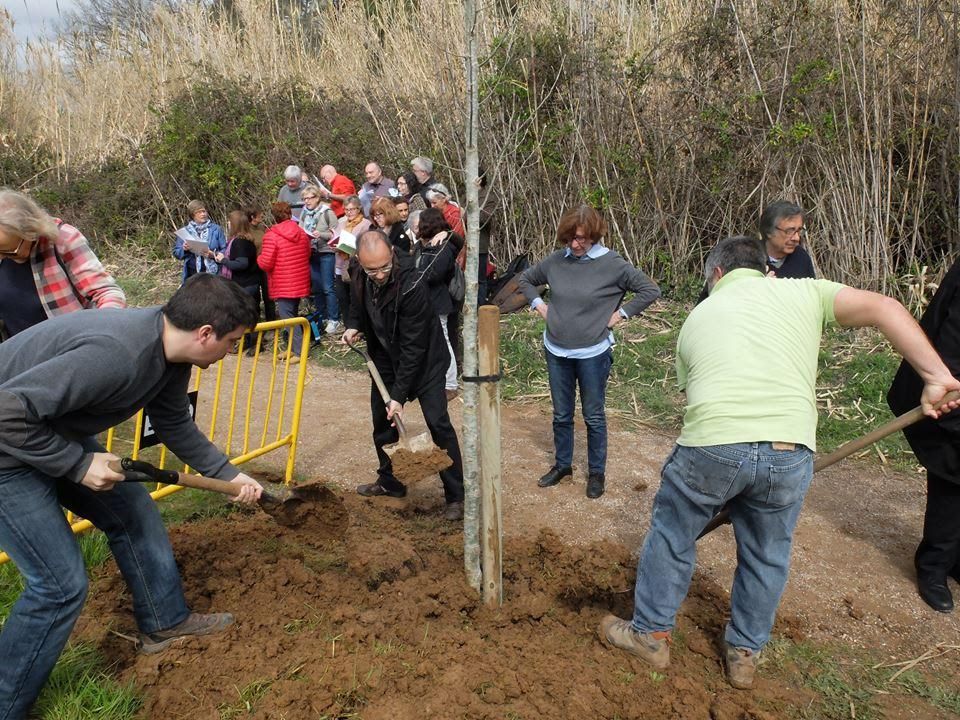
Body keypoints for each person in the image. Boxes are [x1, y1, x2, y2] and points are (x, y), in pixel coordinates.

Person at [598, 236, 960, 690]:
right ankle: (744, 652)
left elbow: (697, 401)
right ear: (768, 270)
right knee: (767, 554)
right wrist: (936, 376)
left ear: (716, 275)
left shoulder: (698, 317)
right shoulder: (803, 290)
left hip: (714, 446)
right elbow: (886, 307)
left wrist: (727, 481)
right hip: (790, 450)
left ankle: (649, 635)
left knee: (672, 534)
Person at [0, 273, 264, 718]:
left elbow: (174, 423)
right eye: (232, 341)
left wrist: (230, 475)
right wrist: (77, 464)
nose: (230, 352)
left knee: (134, 511)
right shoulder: (117, 354)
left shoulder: (172, 354)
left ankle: (164, 623)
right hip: (7, 448)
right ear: (205, 334)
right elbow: (6, 412)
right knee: (60, 585)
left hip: (47, 429)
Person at [517, 205, 660, 499]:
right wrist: (539, 306)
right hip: (556, 349)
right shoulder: (557, 261)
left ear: (595, 235)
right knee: (561, 414)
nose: (575, 244)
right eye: (570, 238)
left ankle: (596, 473)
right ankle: (562, 465)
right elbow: (526, 280)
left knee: (593, 416)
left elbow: (649, 290)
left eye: (581, 238)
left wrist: (621, 315)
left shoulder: (613, 265)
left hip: (593, 353)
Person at [343, 230, 465, 520]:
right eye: (373, 269)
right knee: (382, 425)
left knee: (438, 424)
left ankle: (456, 497)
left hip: (425, 362)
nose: (380, 274)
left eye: (385, 267)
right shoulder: (359, 272)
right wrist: (353, 325)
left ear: (392, 256)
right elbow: (358, 304)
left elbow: (414, 347)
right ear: (360, 261)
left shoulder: (412, 283)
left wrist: (398, 396)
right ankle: (391, 482)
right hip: (384, 358)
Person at [888, 257, 960, 613]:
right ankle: (933, 566)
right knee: (953, 475)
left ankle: (955, 558)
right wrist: (947, 388)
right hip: (947, 389)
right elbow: (953, 340)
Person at [0, 189, 126, 339]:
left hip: (68, 349)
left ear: (31, 232)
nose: (2, 257)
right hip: (20, 356)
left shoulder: (63, 240)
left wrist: (99, 335)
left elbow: (107, 293)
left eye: (10, 251)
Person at [414, 208, 461, 398]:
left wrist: (416, 275)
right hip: (424, 301)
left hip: (437, 301)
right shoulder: (423, 245)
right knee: (426, 343)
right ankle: (431, 381)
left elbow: (434, 274)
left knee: (443, 342)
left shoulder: (444, 245)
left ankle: (450, 384)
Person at [257, 202, 311, 364]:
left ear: (274, 216)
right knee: (292, 315)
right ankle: (293, 348)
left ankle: (300, 352)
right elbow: (308, 253)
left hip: (283, 282)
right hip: (299, 279)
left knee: (288, 318)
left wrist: (258, 258)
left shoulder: (271, 235)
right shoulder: (301, 232)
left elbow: (265, 263)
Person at [215, 210, 262, 353]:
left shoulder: (240, 242)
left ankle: (254, 344)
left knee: (247, 315)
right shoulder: (244, 239)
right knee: (248, 314)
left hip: (246, 284)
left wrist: (223, 260)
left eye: (230, 221)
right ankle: (248, 342)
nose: (228, 224)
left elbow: (242, 264)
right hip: (248, 282)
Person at [299, 185, 341, 335]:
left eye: (310, 198)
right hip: (311, 253)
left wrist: (321, 234)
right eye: (305, 199)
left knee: (328, 287)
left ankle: (333, 318)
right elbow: (301, 228)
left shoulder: (327, 212)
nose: (307, 201)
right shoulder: (304, 213)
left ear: (317, 198)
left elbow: (336, 233)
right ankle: (321, 316)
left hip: (326, 252)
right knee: (316, 287)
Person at [172, 200, 227, 285]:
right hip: (193, 274)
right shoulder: (186, 231)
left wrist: (213, 255)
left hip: (214, 274)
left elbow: (225, 249)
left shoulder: (216, 229)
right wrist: (185, 249)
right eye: (199, 212)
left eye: (204, 211)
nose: (203, 214)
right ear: (192, 214)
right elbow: (176, 253)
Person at [760, 200, 815, 278]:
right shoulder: (749, 258)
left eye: (799, 230)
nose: (796, 238)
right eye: (789, 231)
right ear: (769, 231)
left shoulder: (801, 257)